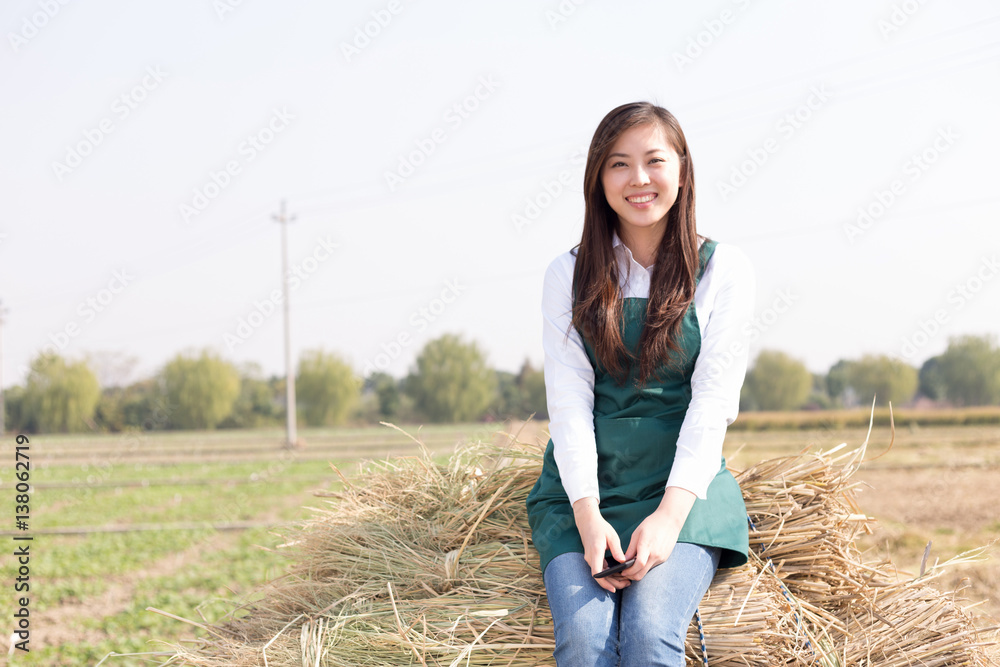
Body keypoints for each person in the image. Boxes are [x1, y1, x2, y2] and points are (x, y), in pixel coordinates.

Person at [525, 101, 755, 666]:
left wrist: (669, 519)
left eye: (654, 160)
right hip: (585, 488)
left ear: (682, 169)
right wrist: (587, 516)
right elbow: (570, 405)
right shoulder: (568, 273)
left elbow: (713, 404)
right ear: (598, 179)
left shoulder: (724, 270)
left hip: (683, 487)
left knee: (650, 636)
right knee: (584, 641)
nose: (639, 179)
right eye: (618, 164)